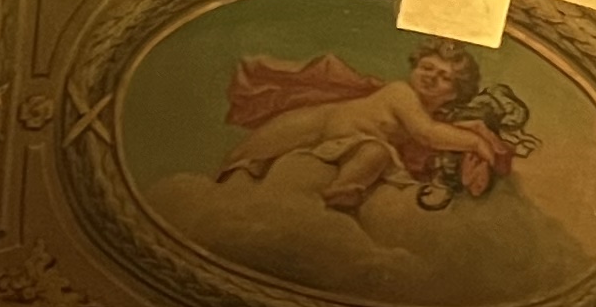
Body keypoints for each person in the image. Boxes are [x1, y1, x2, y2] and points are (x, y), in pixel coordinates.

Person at [215, 41, 525, 214]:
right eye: (426, 68)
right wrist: (475, 144)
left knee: (375, 153)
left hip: (344, 143)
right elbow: (426, 134)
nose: (431, 77)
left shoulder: (429, 115)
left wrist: (478, 136)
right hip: (311, 126)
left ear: (455, 93)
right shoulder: (400, 94)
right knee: (245, 164)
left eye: (444, 77)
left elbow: (436, 137)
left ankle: (339, 196)